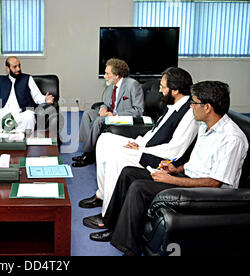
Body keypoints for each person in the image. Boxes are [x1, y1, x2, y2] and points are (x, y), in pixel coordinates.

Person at [90, 81, 249, 256]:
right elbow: (198, 164)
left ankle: (127, 246)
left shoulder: (232, 139)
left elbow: (214, 182)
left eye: (194, 102)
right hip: (188, 177)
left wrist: (172, 180)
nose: (190, 106)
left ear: (207, 107)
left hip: (208, 194)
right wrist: (175, 168)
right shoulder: (206, 126)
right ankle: (111, 223)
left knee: (139, 187)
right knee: (129, 172)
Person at [80, 67, 199, 230]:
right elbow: (154, 132)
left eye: (163, 87)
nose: (159, 91)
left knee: (116, 156)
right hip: (146, 148)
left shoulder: (190, 114)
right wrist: (138, 142)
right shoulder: (172, 105)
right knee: (105, 139)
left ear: (176, 90)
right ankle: (102, 195)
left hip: (159, 159)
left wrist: (141, 150)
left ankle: (107, 215)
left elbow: (174, 151)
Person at [72, 58, 144, 167]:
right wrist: (103, 109)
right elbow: (106, 104)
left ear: (117, 75)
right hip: (110, 115)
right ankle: (90, 149)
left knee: (99, 120)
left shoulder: (133, 85)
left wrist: (116, 115)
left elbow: (138, 110)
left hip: (123, 118)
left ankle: (89, 155)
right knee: (88, 113)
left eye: (107, 74)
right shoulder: (111, 85)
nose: (104, 76)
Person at [0, 56, 55, 133]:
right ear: (8, 68)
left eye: (19, 65)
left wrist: (45, 99)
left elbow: (36, 96)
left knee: (29, 117)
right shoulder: (0, 81)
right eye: (14, 67)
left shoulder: (28, 79)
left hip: (22, 113)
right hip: (4, 112)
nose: (18, 69)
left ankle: (25, 143)